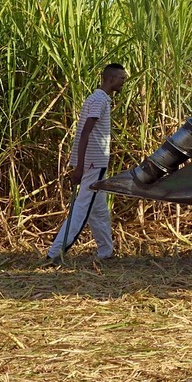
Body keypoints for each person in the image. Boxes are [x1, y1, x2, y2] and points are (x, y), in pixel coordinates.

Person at [48, 62, 127, 262]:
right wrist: (81, 166)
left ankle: (106, 252)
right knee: (81, 208)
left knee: (99, 211)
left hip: (94, 163)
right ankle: (56, 253)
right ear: (110, 79)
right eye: (121, 78)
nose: (123, 82)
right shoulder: (99, 101)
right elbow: (85, 133)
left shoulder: (96, 98)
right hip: (94, 164)